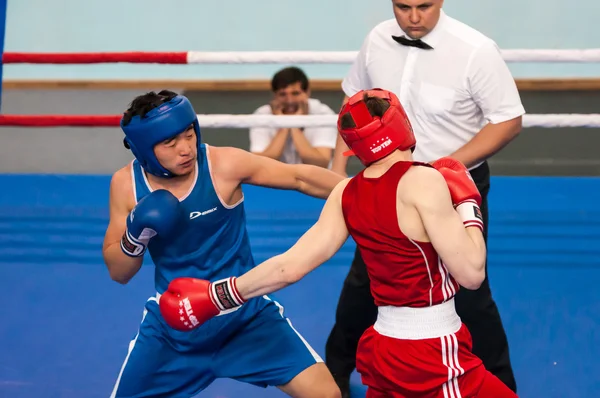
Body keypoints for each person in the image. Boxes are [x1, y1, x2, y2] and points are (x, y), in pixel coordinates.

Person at [159, 89, 519, 397]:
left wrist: (217, 295)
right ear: (403, 126)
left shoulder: (345, 193)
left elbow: (289, 266)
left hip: (384, 345)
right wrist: (469, 205)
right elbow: (471, 273)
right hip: (431, 348)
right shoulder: (424, 182)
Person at [327, 1, 525, 394]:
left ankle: (500, 385)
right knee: (363, 283)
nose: (414, 16)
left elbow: (508, 119)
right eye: (403, 6)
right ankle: (332, 378)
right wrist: (337, 171)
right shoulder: (377, 40)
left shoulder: (475, 49)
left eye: (424, 6)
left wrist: (445, 167)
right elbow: (354, 107)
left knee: (469, 292)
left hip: (451, 188)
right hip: (384, 188)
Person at [102, 90, 344, 398]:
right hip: (176, 331)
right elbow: (118, 272)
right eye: (170, 143)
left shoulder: (222, 164)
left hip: (246, 317)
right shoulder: (127, 186)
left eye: (188, 135)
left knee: (326, 395)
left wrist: (365, 189)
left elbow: (299, 178)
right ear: (144, 150)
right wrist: (135, 235)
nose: (185, 149)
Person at [249, 66, 338, 168]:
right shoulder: (262, 115)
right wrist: (283, 126)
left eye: (295, 93)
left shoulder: (322, 113)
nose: (289, 100)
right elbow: (259, 165)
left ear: (307, 92)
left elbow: (321, 163)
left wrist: (295, 125)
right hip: (276, 178)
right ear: (274, 96)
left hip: (313, 179)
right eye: (282, 94)